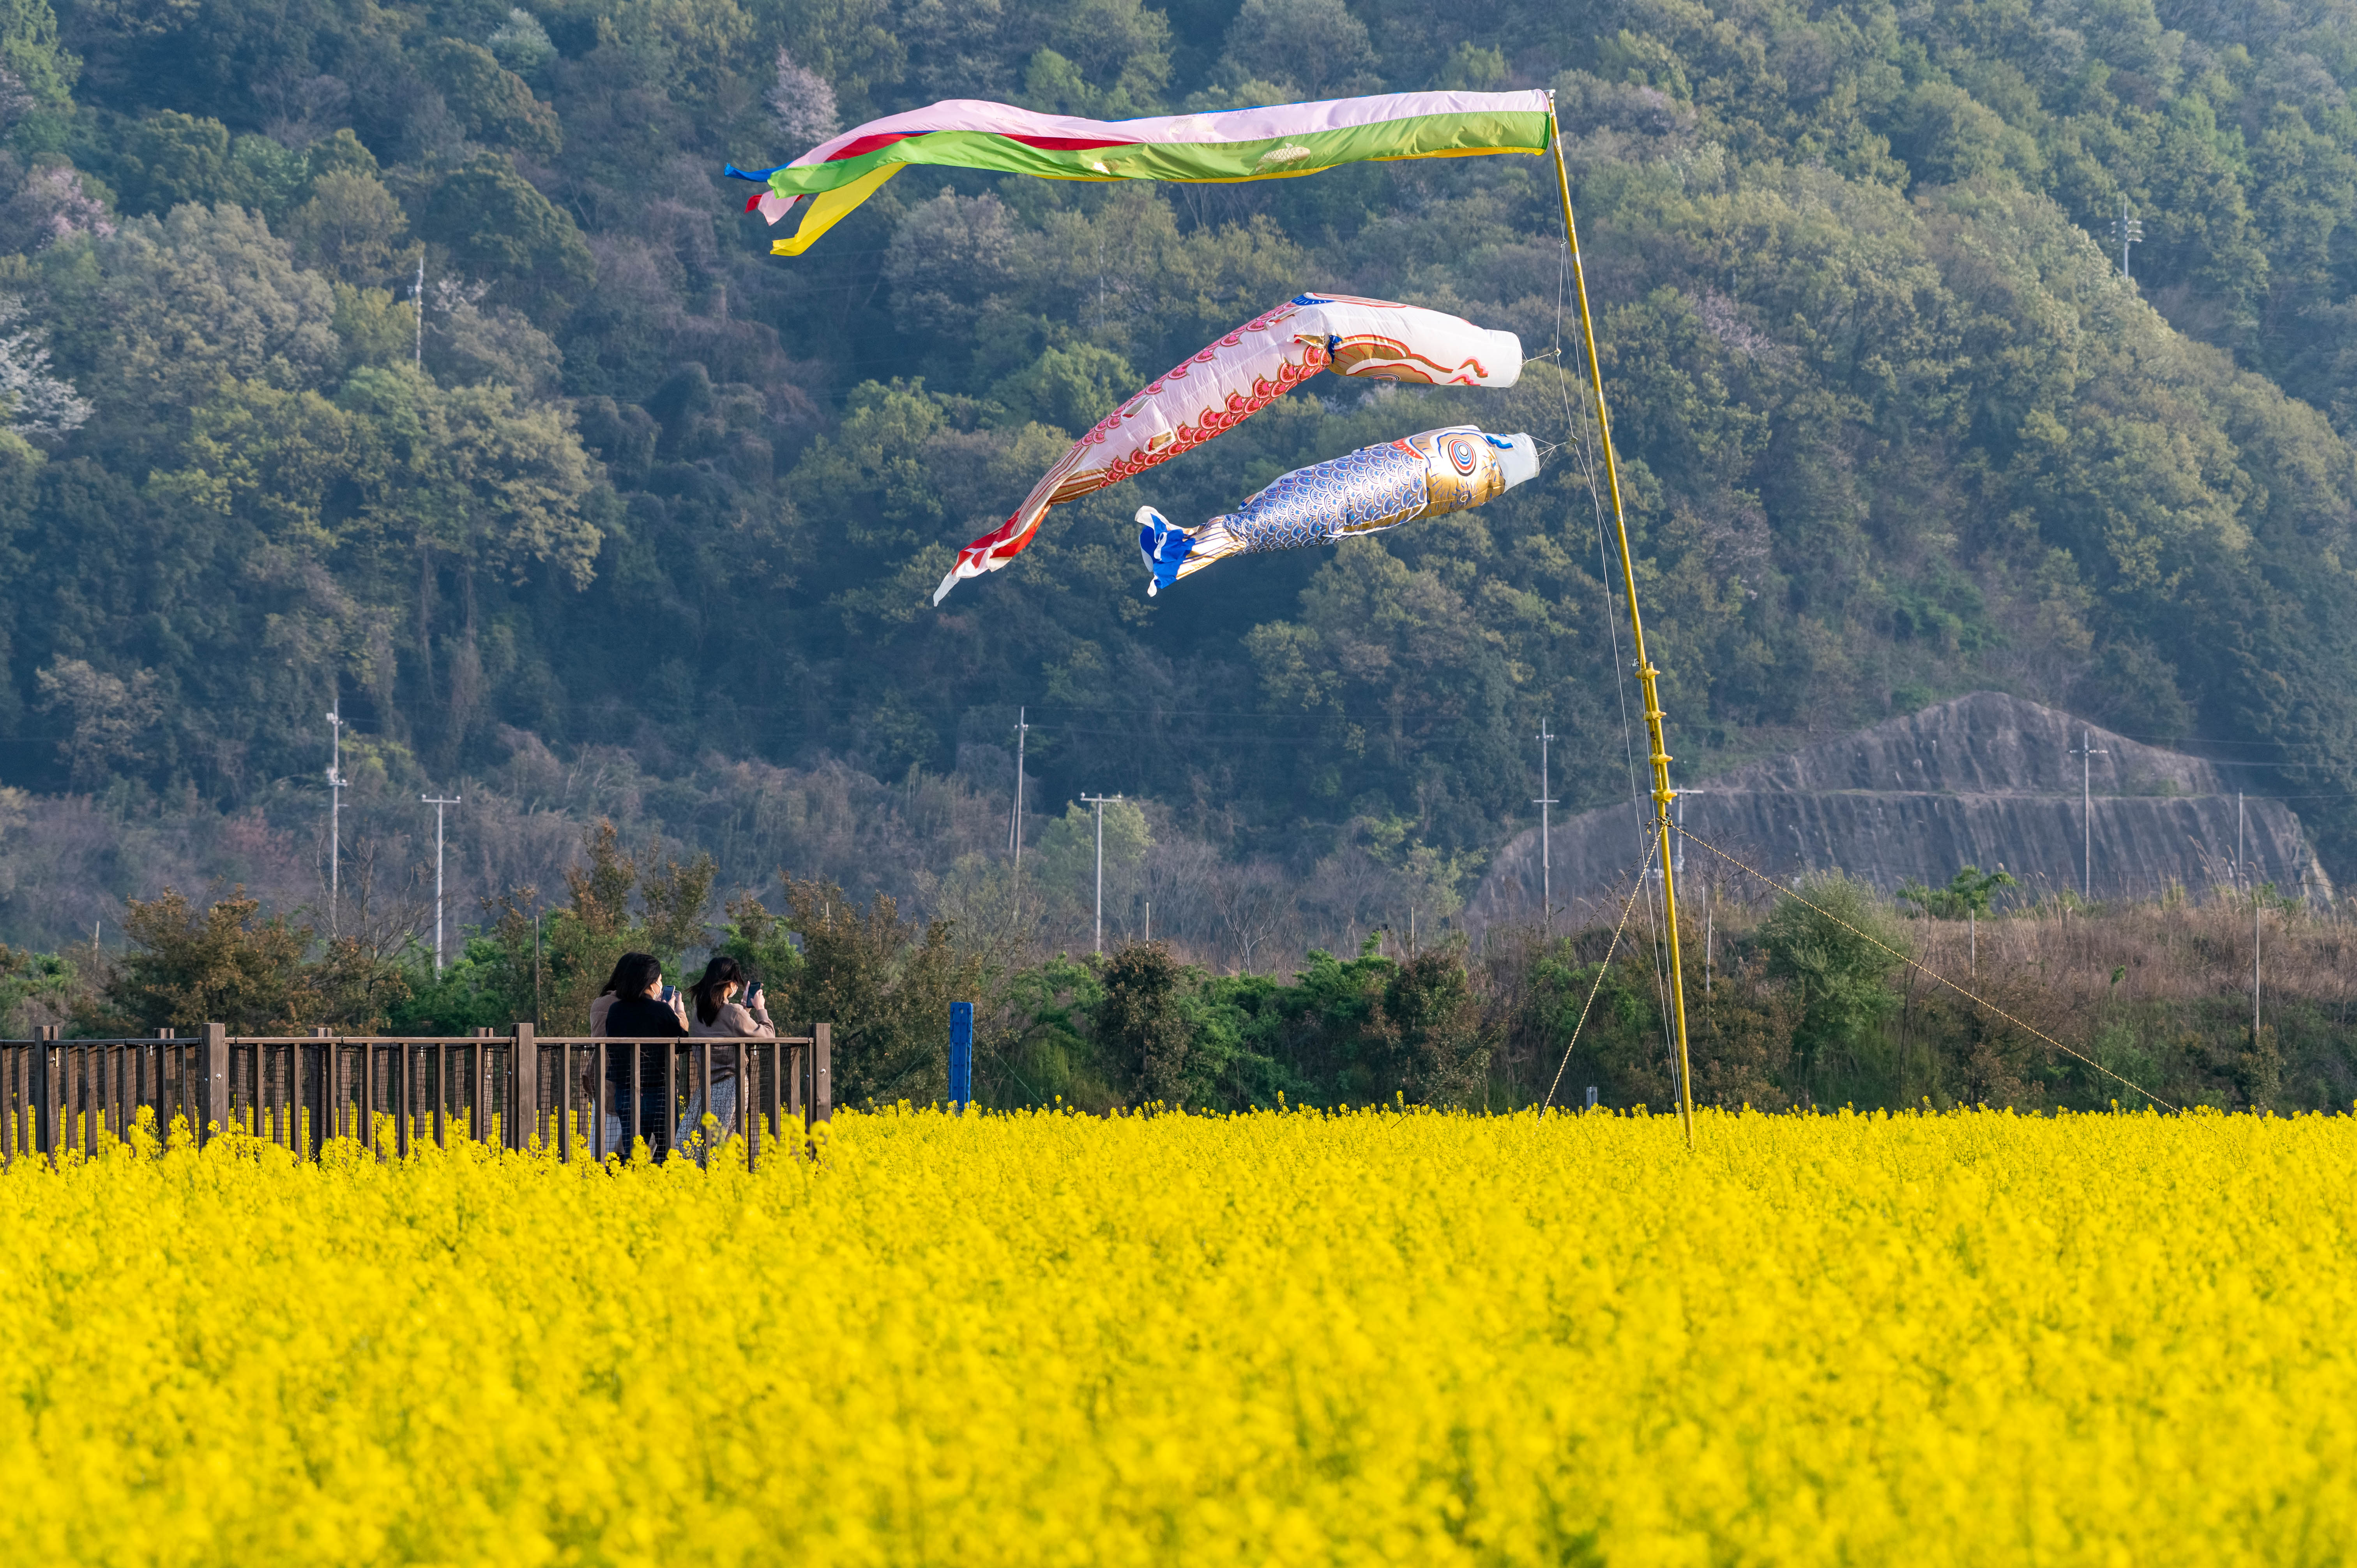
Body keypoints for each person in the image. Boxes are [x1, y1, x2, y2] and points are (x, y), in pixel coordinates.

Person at [679, 955, 775, 1153]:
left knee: (695, 1144)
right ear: (731, 984)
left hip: (707, 1087)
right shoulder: (733, 1013)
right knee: (722, 1144)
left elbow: (727, 1027)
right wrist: (760, 1009)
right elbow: (768, 1036)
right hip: (732, 1086)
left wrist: (743, 1009)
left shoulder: (698, 1013)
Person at [597, 952, 685, 1158]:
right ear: (651, 983)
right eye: (660, 980)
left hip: (626, 1092)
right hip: (659, 1091)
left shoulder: (616, 1010)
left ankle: (636, 1187)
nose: (661, 985)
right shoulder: (661, 1010)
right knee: (668, 1152)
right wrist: (675, 1012)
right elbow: (682, 1043)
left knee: (634, 1154)